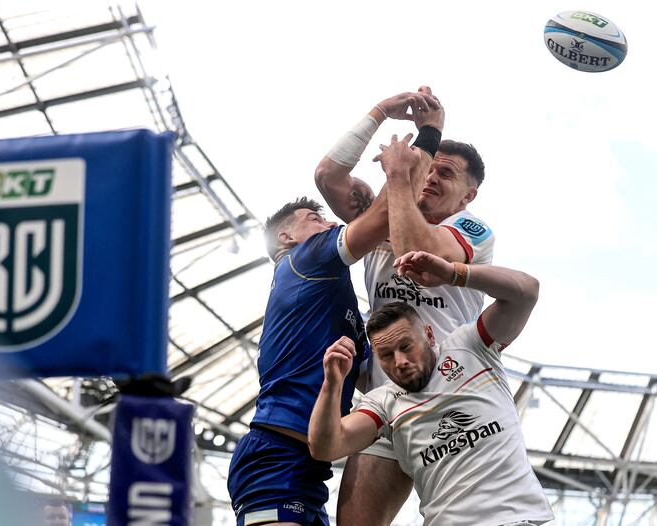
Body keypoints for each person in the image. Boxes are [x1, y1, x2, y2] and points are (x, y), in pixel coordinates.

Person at [315, 88, 496, 525]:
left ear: (468, 196)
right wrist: (379, 114)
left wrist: (402, 174)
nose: (431, 178)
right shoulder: (382, 216)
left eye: (446, 174)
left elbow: (418, 253)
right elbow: (328, 177)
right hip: (388, 397)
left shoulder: (472, 229)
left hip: (451, 397)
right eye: (428, 169)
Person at [308, 251, 554, 526]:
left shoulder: (471, 347)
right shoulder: (383, 402)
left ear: (428, 334)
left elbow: (527, 292)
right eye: (386, 355)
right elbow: (326, 447)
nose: (399, 362)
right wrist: (332, 383)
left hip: (517, 521)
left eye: (406, 346)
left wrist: (454, 274)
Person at [226, 192, 392, 526]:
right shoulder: (305, 257)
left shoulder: (331, 300)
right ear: (285, 238)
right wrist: (423, 145)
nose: (331, 223)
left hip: (310, 469)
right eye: (314, 219)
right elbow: (383, 214)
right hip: (275, 456)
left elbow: (373, 376)